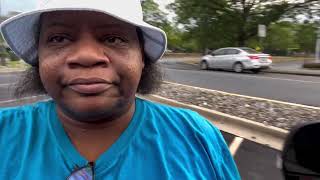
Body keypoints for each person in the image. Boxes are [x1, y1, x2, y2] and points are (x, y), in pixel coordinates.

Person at [0, 0, 240, 179]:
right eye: (59, 39)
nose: (86, 56)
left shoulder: (197, 136)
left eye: (113, 38)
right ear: (39, 57)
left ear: (142, 57)